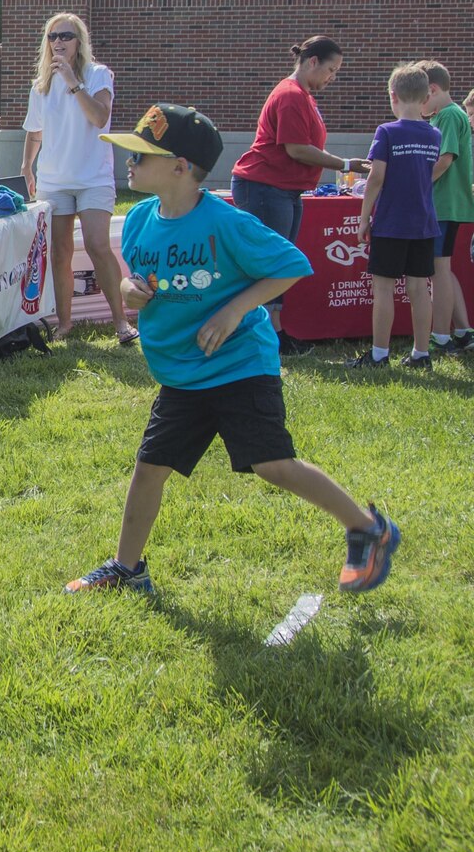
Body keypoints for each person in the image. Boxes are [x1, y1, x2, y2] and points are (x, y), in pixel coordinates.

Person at [66, 103, 396, 596]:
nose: (128, 163)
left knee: (273, 465)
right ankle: (128, 569)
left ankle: (369, 529)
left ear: (180, 167)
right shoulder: (137, 221)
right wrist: (132, 291)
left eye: (140, 155)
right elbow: (139, 279)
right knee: (149, 468)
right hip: (184, 375)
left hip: (240, 366)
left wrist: (234, 310)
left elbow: (291, 264)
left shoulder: (226, 222)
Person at [229, 36, 369, 355]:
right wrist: (346, 164)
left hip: (284, 189)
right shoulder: (291, 94)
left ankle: (274, 332)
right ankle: (263, 334)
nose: (332, 77)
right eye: (331, 70)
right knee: (269, 261)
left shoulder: (304, 96)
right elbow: (297, 149)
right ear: (312, 62)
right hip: (264, 186)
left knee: (281, 261)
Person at [21, 12, 134, 344]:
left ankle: (121, 323)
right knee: (59, 253)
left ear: (79, 41)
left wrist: (73, 82)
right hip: (54, 181)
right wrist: (27, 166)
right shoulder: (41, 84)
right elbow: (35, 131)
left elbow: (99, 117)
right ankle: (65, 324)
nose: (58, 42)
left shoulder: (98, 75)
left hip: (93, 178)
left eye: (66, 36)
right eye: (52, 36)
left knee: (98, 246)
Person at [348, 64, 441, 370]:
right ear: (426, 97)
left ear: (393, 96)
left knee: (384, 288)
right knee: (420, 288)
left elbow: (376, 178)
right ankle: (421, 353)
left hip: (391, 221)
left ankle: (379, 354)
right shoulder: (434, 134)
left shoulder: (387, 131)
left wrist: (364, 217)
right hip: (424, 222)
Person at [420, 62, 474, 353]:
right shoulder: (448, 115)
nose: (418, 105)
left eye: (420, 97)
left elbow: (445, 159)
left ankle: (440, 336)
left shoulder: (449, 115)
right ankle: (463, 331)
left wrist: (417, 186)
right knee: (443, 269)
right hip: (445, 205)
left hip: (443, 204)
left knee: (437, 270)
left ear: (432, 89)